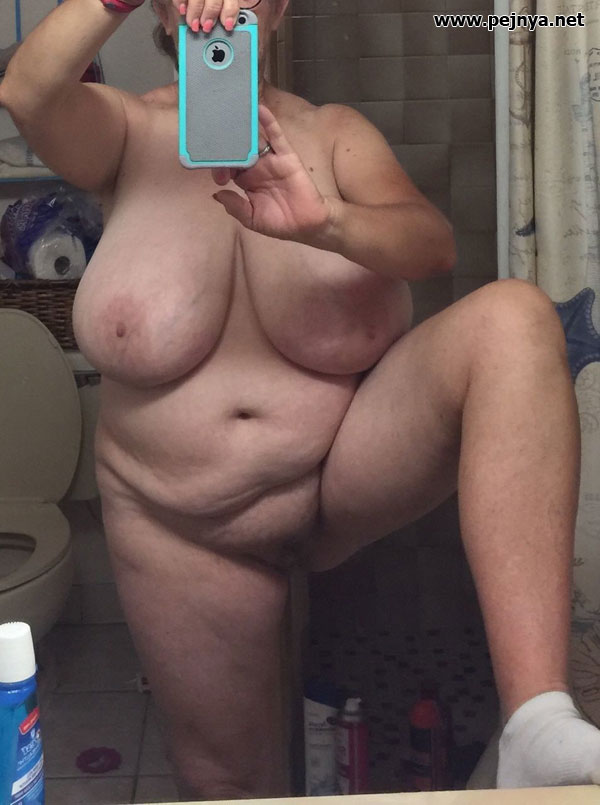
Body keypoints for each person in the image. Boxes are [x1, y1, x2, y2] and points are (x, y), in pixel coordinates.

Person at [2, 0, 600, 797]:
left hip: (343, 471)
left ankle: (537, 718)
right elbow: (28, 90)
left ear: (278, 11)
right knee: (232, 781)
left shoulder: (335, 132)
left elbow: (432, 245)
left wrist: (328, 226)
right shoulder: (123, 131)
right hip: (180, 519)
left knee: (517, 322)